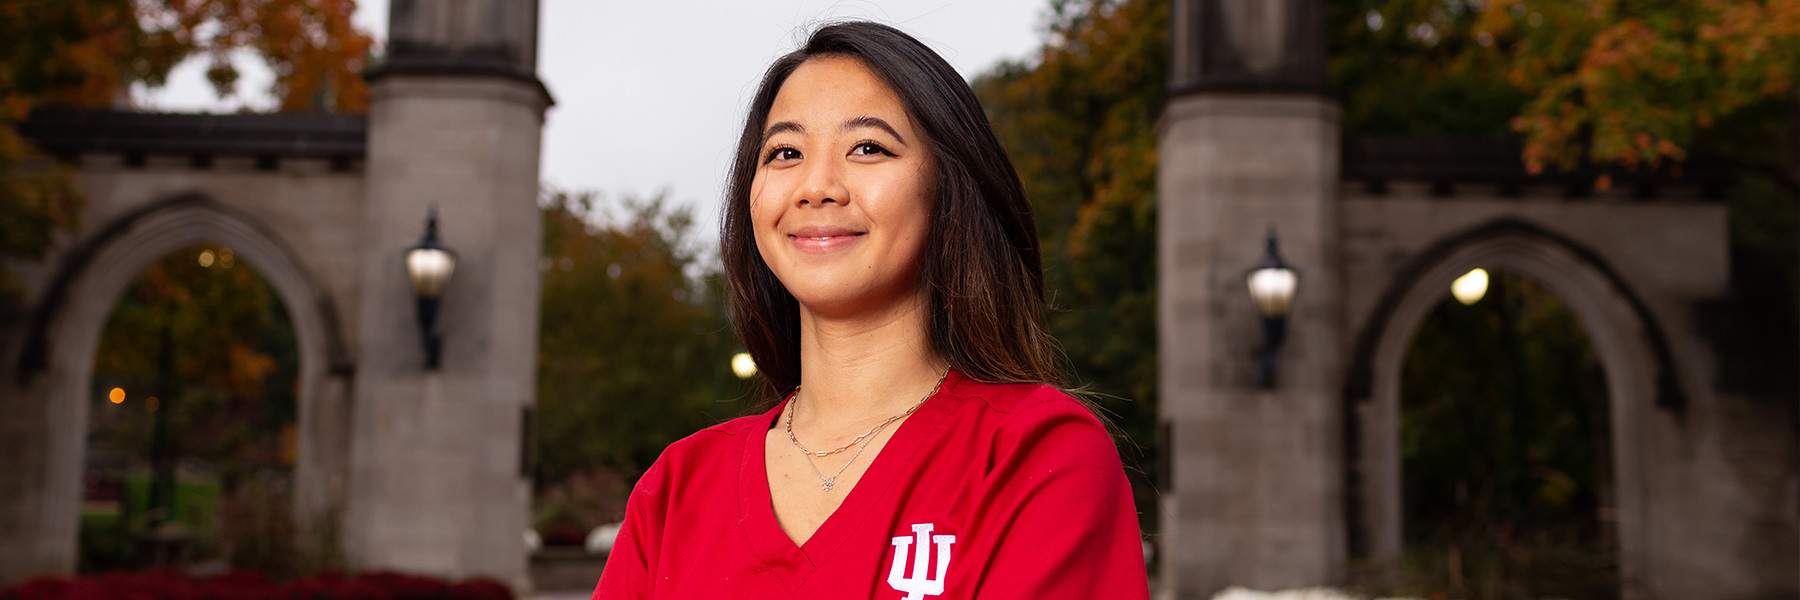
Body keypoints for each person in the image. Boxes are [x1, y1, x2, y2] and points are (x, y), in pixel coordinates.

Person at [592, 21, 1149, 600]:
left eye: (868, 148)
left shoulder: (1034, 454)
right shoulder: (677, 488)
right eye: (785, 152)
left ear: (948, 188)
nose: (816, 186)